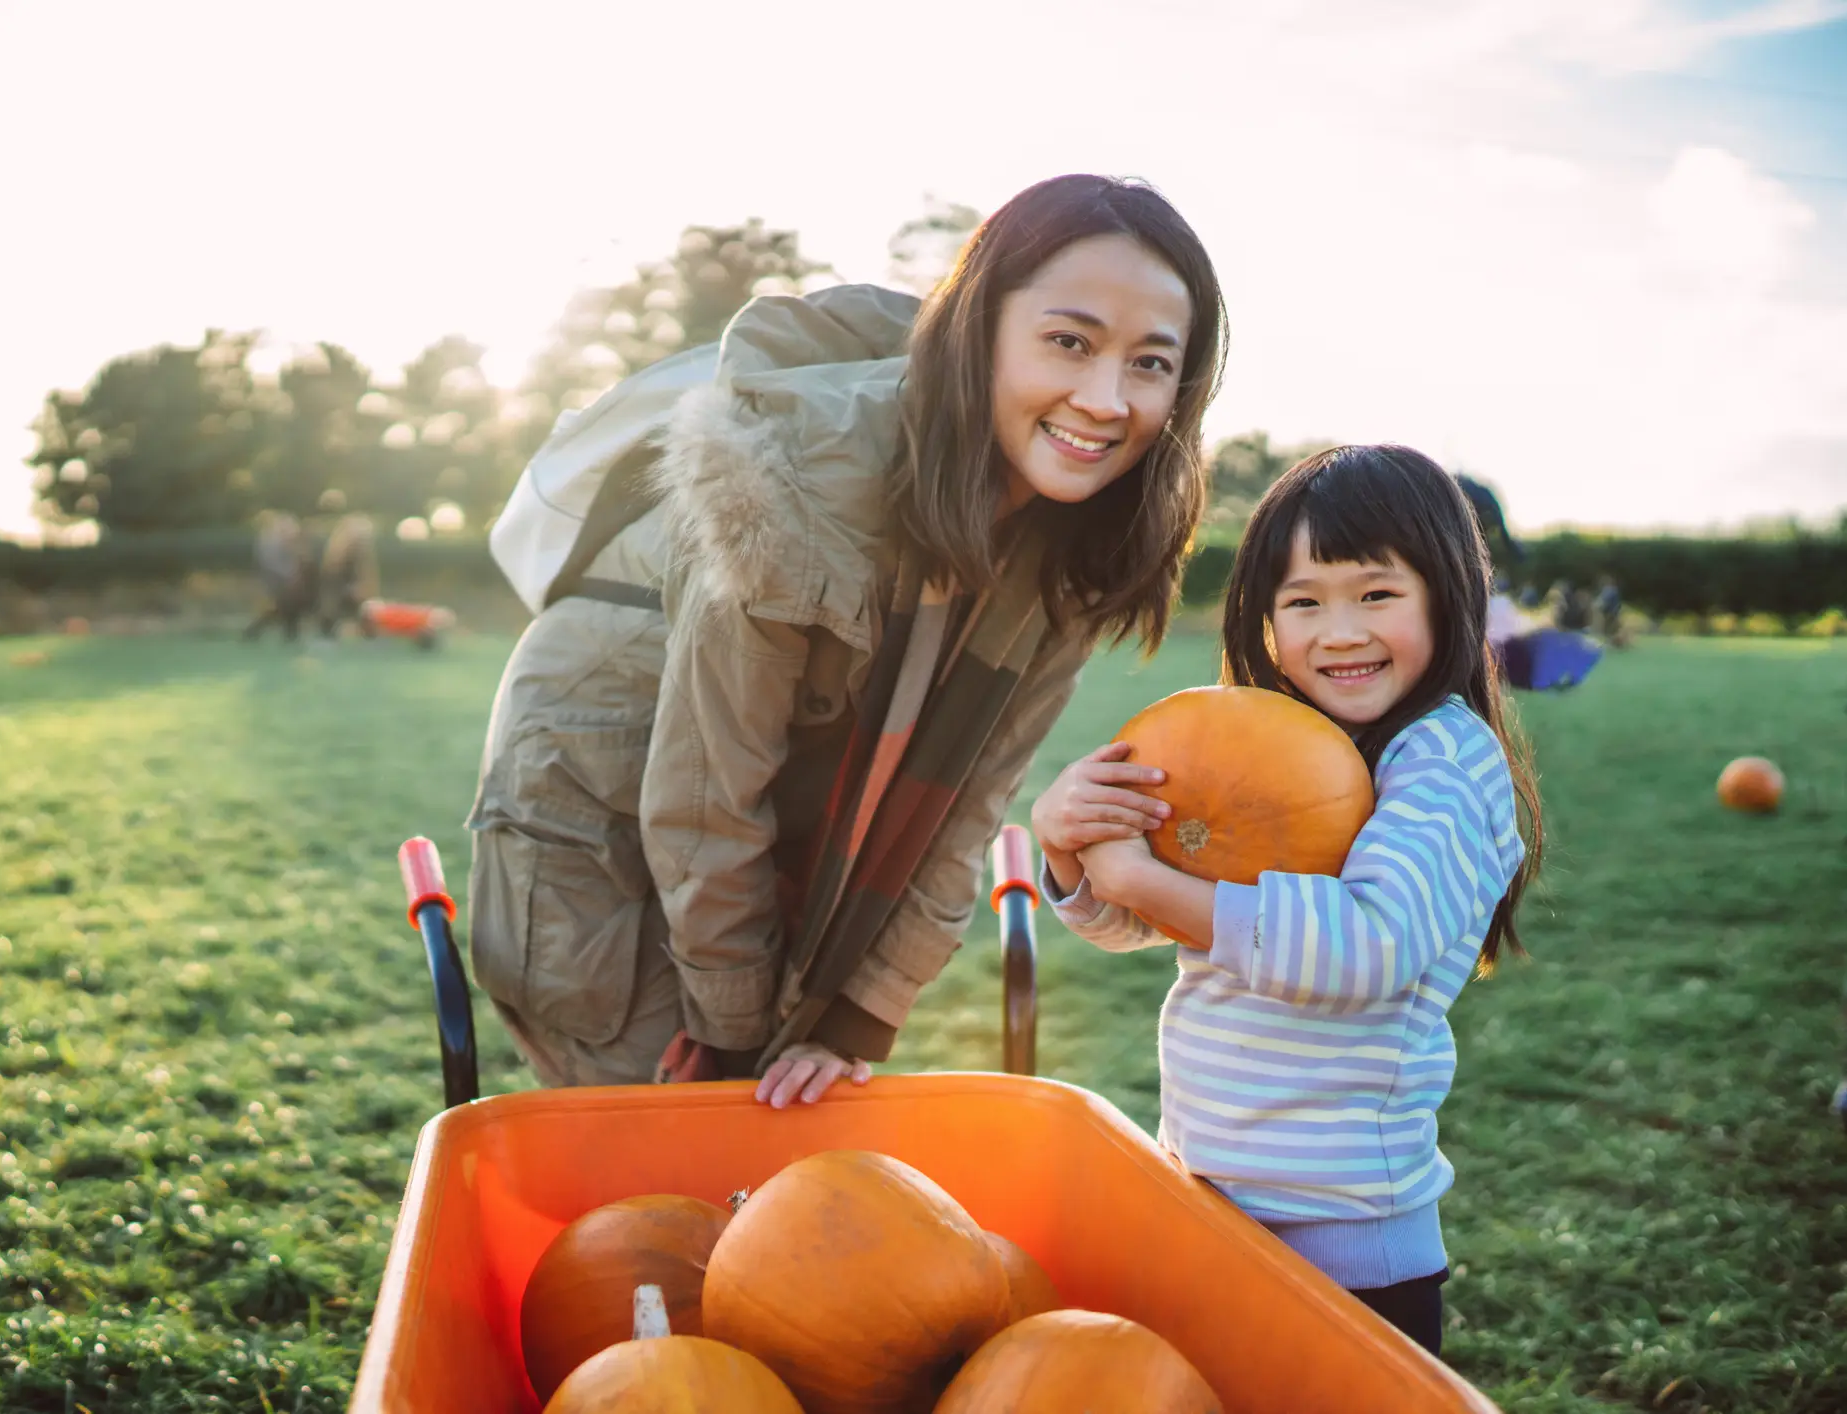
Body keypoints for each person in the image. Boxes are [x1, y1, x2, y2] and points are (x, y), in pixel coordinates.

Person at [466, 174, 1229, 1104]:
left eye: (1150, 363)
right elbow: (708, 791)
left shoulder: (1077, 544)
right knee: (663, 1135)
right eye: (1067, 342)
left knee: (777, 1117)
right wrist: (733, 1029)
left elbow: (965, 808)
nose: (1106, 400)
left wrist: (854, 1014)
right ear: (978, 328)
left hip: (754, 805)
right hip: (602, 782)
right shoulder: (795, 479)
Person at [1029, 445, 1544, 1358]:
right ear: (1262, 618)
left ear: (1448, 595)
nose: (1337, 631)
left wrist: (1143, 877)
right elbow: (1145, 920)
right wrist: (1072, 848)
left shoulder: (1442, 763)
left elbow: (1367, 949)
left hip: (1342, 1245)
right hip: (1207, 1198)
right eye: (1302, 602)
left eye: (1375, 595)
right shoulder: (1264, 740)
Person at [244, 510, 316, 641]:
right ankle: (256, 631)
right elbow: (272, 565)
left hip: (284, 579)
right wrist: (291, 576)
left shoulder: (275, 536)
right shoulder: (270, 541)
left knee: (285, 608)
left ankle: (285, 634)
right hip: (279, 580)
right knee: (283, 607)